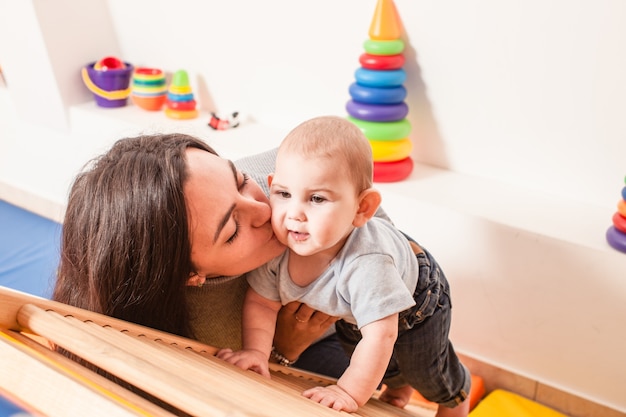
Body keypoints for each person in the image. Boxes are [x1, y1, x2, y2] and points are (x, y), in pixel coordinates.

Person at [217, 116, 470, 416]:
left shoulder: (366, 263)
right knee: (367, 354)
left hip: (418, 297)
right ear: (271, 186)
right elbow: (261, 303)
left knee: (425, 369)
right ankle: (399, 386)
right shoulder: (278, 245)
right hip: (350, 309)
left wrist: (347, 392)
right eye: (284, 194)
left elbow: (382, 335)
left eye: (317, 198)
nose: (294, 213)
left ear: (361, 209)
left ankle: (456, 397)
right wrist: (256, 352)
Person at [52, 132, 348, 378]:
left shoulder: (285, 178)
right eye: (232, 230)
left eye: (241, 181)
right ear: (191, 276)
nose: (264, 209)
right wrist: (282, 350)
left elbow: (369, 215)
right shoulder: (201, 338)